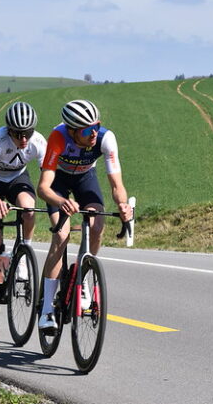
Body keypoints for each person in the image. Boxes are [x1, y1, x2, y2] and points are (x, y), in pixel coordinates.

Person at [36, 99, 132, 331]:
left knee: (97, 226)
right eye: (87, 130)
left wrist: (123, 205)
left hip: (85, 177)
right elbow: (43, 188)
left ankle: (83, 275)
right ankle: (47, 310)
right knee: (61, 236)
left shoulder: (105, 138)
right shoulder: (58, 137)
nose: (94, 133)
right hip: (58, 181)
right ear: (72, 130)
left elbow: (116, 183)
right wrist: (61, 202)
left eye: (96, 126)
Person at [0, 101, 47, 318]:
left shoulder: (39, 141)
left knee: (29, 210)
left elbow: (49, 176)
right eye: (17, 134)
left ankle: (23, 252)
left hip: (16, 178)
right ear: (9, 130)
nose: (23, 139)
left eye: (27, 133)